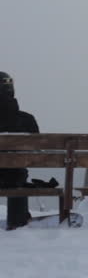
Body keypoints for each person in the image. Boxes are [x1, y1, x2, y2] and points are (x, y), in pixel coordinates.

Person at [0, 72, 40, 229]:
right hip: (16, 178)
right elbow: (37, 151)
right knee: (18, 178)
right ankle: (17, 222)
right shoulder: (27, 119)